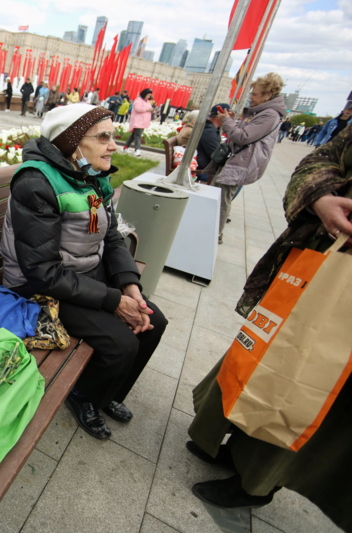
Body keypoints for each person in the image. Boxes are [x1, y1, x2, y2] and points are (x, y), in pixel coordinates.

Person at [187, 124, 352, 531]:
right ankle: (229, 441)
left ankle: (257, 482)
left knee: (312, 386)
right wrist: (320, 196)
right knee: (262, 354)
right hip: (317, 258)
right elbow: (321, 159)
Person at [0, 104, 168, 440]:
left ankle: (109, 392)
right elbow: (42, 271)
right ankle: (82, 395)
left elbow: (112, 237)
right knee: (121, 344)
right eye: (103, 137)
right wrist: (113, 301)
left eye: (113, 136)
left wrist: (129, 286)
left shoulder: (90, 175)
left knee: (154, 323)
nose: (114, 146)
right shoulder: (36, 183)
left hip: (80, 273)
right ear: (73, 142)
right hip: (39, 287)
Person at [208, 72, 286, 245]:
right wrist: (231, 121)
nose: (251, 97)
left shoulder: (269, 114)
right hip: (237, 161)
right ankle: (210, 231)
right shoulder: (263, 112)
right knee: (218, 195)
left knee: (221, 199)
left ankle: (214, 235)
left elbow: (242, 137)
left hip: (241, 164)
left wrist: (227, 122)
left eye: (255, 94)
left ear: (268, 95)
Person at [193, 104, 228, 183]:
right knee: (235, 181)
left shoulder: (209, 128)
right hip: (202, 171)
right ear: (220, 115)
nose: (228, 119)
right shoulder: (209, 131)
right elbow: (217, 156)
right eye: (227, 116)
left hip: (203, 168)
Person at [125, 88, 154, 157]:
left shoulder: (147, 101)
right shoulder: (138, 100)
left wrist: (151, 110)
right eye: (148, 95)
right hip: (138, 121)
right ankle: (137, 150)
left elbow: (149, 108)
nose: (149, 97)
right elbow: (138, 109)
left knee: (133, 136)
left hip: (143, 122)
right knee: (138, 135)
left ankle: (125, 147)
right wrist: (148, 109)